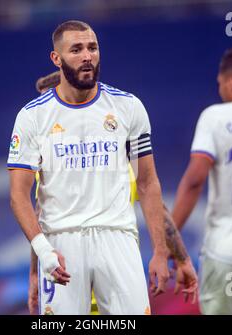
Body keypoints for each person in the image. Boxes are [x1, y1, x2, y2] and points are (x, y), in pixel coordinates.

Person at [8, 20, 177, 315]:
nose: (87, 55)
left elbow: (148, 183)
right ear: (56, 58)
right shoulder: (32, 117)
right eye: (76, 49)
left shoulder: (128, 107)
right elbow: (20, 196)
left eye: (92, 47)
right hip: (61, 241)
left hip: (118, 237)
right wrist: (42, 252)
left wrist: (161, 251)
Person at [27, 72, 198, 314]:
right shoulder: (56, 161)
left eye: (51, 102)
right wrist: (182, 259)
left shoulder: (114, 156)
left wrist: (35, 273)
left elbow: (154, 201)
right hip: (77, 275)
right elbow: (39, 216)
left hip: (102, 273)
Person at [172, 48, 232, 314]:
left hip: (225, 253)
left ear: (230, 82)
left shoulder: (216, 117)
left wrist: (167, 244)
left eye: (220, 84)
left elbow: (194, 181)